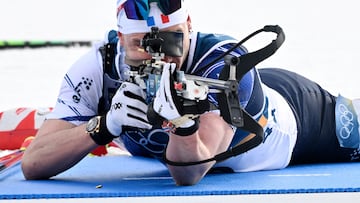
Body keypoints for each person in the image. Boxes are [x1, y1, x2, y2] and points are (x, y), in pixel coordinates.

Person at [21, 0, 360, 186]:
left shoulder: (224, 64)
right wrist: (104, 126)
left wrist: (182, 124)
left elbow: (191, 173)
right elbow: (33, 164)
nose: (160, 55)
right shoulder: (98, 66)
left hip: (300, 121)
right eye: (141, 44)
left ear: (189, 26)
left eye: (172, 39)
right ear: (119, 40)